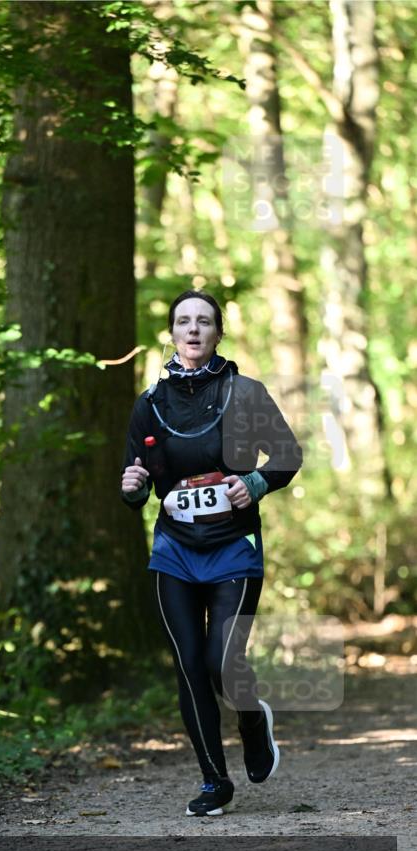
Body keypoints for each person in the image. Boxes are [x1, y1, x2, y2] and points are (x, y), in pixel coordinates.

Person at [120, 290, 303, 817]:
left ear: (219, 332)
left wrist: (255, 481)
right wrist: (132, 485)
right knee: (188, 666)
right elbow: (134, 489)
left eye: (204, 321)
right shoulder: (151, 404)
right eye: (183, 322)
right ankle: (213, 782)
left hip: (233, 547)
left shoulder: (245, 393)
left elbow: (287, 455)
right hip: (175, 551)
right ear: (173, 333)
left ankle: (251, 721)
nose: (194, 330)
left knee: (222, 661)